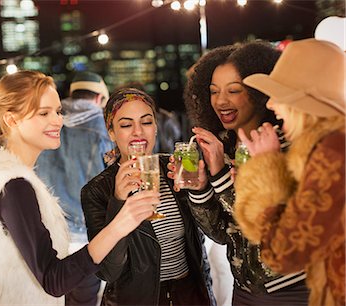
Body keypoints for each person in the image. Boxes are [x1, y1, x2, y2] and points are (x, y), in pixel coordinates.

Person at [0, 71, 158, 305]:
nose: (57, 120)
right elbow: (54, 281)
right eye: (44, 113)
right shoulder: (15, 185)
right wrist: (121, 223)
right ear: (11, 120)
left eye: (58, 111)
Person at [169, 41, 310, 305]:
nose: (221, 101)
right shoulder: (223, 146)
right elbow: (223, 233)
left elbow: (269, 226)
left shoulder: (288, 145)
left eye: (234, 90)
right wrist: (200, 189)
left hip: (291, 289)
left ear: (260, 91)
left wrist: (221, 176)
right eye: (213, 92)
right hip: (243, 290)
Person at [233, 39, 345, 306]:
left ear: (303, 102)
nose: (271, 105)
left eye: (278, 94)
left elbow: (282, 253)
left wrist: (265, 171)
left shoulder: (332, 153)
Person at [81, 87, 215, 306]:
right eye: (125, 124)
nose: (138, 131)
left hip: (190, 294)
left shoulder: (175, 170)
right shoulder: (97, 191)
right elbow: (108, 271)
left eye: (146, 122)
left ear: (155, 127)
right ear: (111, 132)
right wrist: (118, 200)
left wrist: (200, 190)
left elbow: (214, 233)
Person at [36, 71, 112, 305]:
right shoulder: (103, 128)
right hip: (84, 234)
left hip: (48, 230)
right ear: (99, 98)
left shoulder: (48, 122)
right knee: (84, 299)